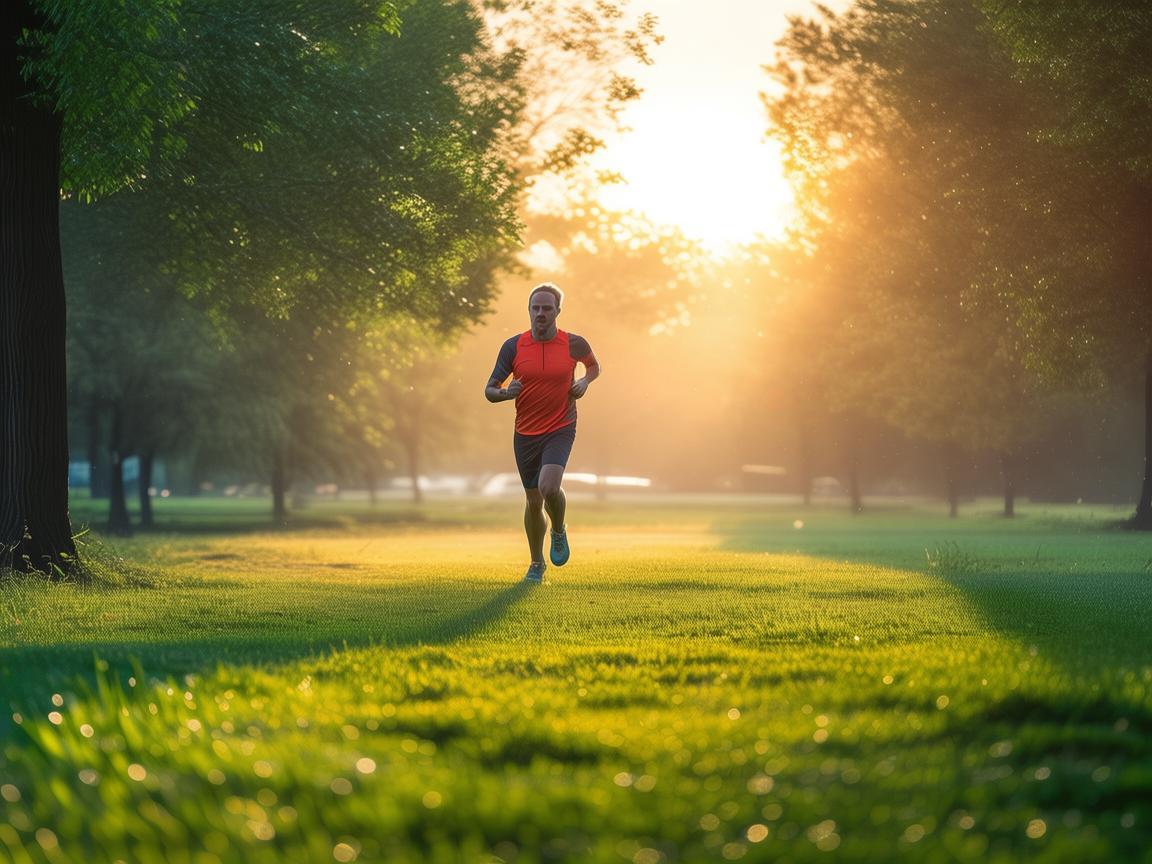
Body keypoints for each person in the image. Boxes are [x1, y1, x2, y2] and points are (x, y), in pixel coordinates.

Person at [485, 283, 601, 582]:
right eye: (535, 308)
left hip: (561, 427)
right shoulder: (513, 346)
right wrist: (506, 393)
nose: (540, 313)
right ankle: (536, 563)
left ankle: (558, 530)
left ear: (557, 311)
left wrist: (584, 382)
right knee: (534, 501)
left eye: (547, 308)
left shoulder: (574, 343)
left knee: (549, 487)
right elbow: (489, 390)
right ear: (528, 310)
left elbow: (593, 367)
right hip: (525, 433)